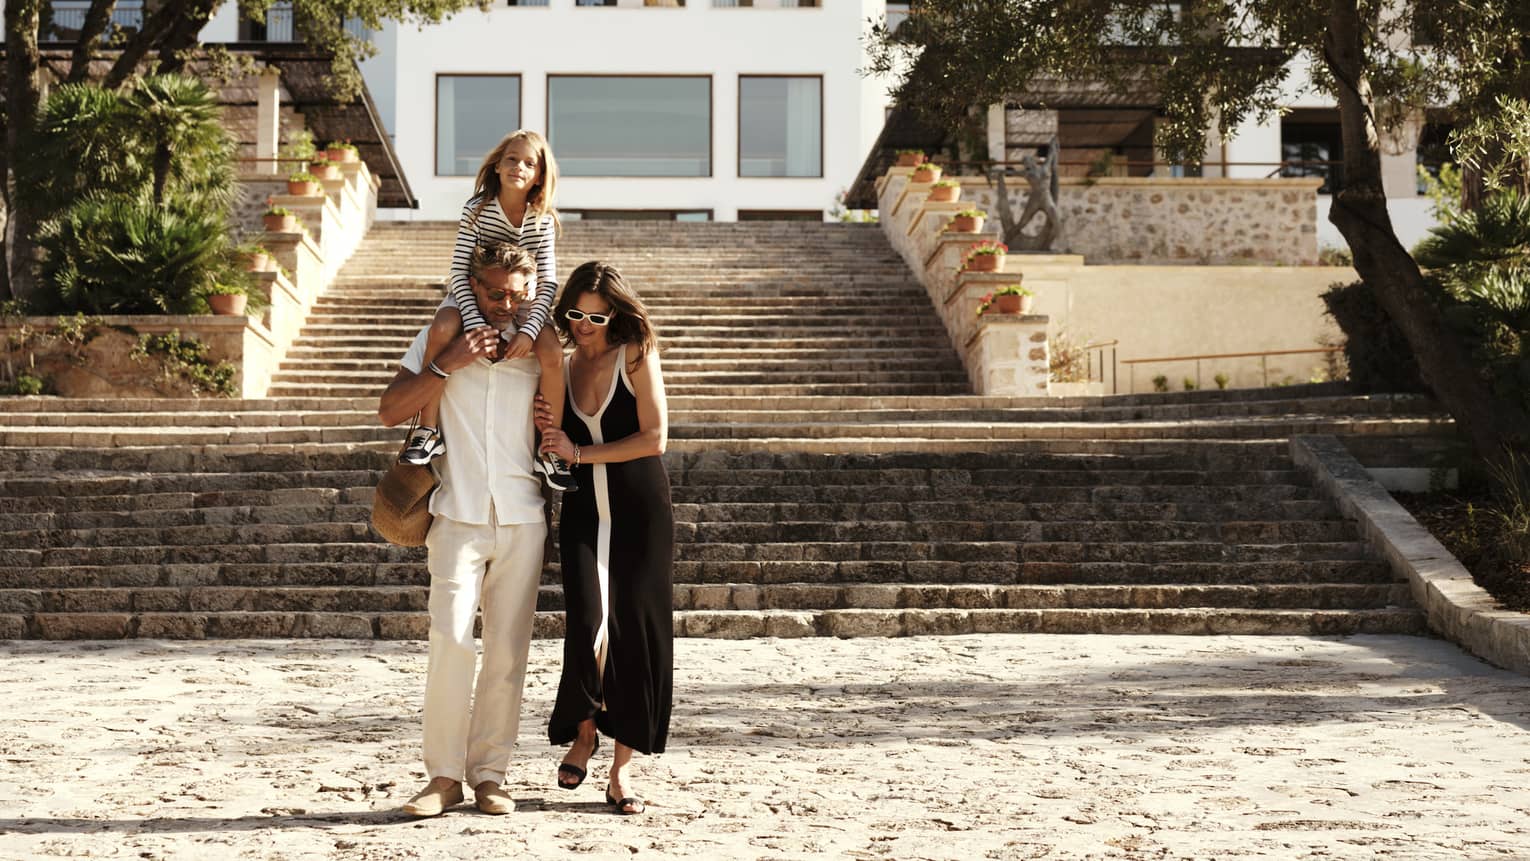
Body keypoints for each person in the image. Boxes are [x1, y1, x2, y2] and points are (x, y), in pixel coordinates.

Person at [378, 242, 548, 818]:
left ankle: (490, 775)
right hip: (455, 514)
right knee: (450, 640)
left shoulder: (542, 348)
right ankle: (442, 777)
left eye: (516, 294)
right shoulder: (441, 336)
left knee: (507, 651)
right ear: (472, 287)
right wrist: (444, 364)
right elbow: (390, 409)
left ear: (531, 289)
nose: (505, 304)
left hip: (524, 516)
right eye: (493, 292)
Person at [535, 261, 673, 817]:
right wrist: (548, 435)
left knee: (634, 633)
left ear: (615, 312)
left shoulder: (635, 353)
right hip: (585, 510)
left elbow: (655, 437)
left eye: (597, 314)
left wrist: (580, 453)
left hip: (640, 509)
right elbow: (548, 433)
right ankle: (584, 731)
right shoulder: (563, 366)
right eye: (576, 313)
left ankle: (621, 770)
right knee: (588, 623)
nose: (586, 323)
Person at [401, 129, 576, 492]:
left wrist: (528, 331)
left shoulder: (542, 218)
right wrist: (478, 323)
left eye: (530, 163)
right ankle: (428, 430)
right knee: (443, 326)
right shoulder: (477, 209)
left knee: (552, 351)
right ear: (497, 165)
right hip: (474, 293)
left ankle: (549, 449)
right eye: (511, 159)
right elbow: (459, 272)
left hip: (525, 301)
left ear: (540, 175)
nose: (519, 167)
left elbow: (548, 282)